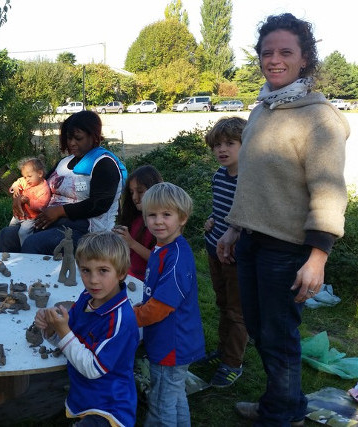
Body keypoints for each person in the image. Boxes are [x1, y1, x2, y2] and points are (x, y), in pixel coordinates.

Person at [216, 13, 349, 425]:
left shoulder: (319, 117)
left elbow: (328, 191)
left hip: (287, 248)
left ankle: (282, 412)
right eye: (266, 52)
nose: (274, 59)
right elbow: (254, 182)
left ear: (305, 58)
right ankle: (280, 402)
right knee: (260, 329)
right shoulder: (263, 108)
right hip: (253, 240)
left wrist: (317, 257)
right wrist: (235, 227)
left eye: (285, 51)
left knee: (280, 336)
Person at [34, 231, 139, 426]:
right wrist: (51, 329)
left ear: (122, 272)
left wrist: (63, 330)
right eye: (85, 270)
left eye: (103, 271)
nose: (93, 280)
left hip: (109, 407)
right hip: (86, 396)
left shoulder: (120, 320)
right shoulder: (86, 298)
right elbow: (70, 341)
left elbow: (92, 368)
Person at [0, 110, 127, 255]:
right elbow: (41, 185)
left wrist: (59, 211)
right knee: (6, 235)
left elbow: (99, 204)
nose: (72, 143)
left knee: (34, 243)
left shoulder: (104, 164)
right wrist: (20, 197)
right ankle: (6, 276)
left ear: (94, 136)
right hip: (51, 222)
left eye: (78, 138)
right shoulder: (64, 163)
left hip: (87, 232)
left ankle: (31, 277)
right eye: (69, 138)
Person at [133, 182, 205, 427]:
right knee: (174, 398)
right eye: (152, 215)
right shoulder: (163, 247)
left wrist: (128, 317)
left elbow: (160, 307)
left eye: (166, 215)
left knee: (161, 403)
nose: (158, 221)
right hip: (170, 340)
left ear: (182, 218)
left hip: (171, 345)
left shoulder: (176, 257)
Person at [202, 116, 248, 388]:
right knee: (222, 304)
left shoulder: (250, 181)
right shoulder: (219, 175)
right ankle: (223, 350)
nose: (222, 149)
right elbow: (221, 208)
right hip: (213, 249)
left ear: (246, 145)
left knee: (237, 311)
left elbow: (253, 218)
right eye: (217, 144)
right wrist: (211, 219)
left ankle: (233, 363)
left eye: (230, 143)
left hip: (236, 257)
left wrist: (236, 233)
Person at [113, 165, 163, 279]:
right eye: (131, 192)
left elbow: (160, 261)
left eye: (140, 191)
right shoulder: (134, 218)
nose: (135, 197)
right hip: (126, 276)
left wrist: (131, 243)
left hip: (147, 282)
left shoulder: (161, 224)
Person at [8, 157, 51, 244]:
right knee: (10, 229)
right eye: (25, 176)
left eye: (29, 176)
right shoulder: (26, 181)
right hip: (18, 214)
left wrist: (28, 201)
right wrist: (16, 187)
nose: (27, 179)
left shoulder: (44, 189)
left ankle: (26, 248)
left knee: (23, 233)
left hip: (31, 218)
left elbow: (41, 206)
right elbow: (18, 182)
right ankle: (14, 246)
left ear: (40, 173)